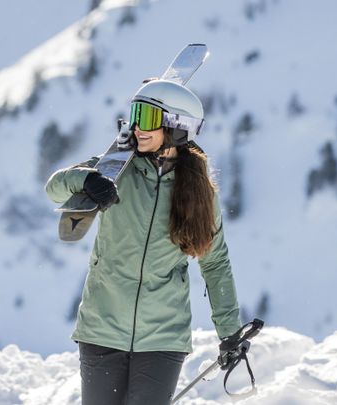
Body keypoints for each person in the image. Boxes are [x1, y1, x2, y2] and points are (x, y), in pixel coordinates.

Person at [45, 79, 244, 405]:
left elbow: (215, 262)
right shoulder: (115, 168)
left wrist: (229, 331)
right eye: (135, 114)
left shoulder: (200, 193)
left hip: (162, 339)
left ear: (176, 126)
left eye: (149, 118)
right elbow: (55, 187)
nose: (137, 127)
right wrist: (87, 179)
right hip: (102, 329)